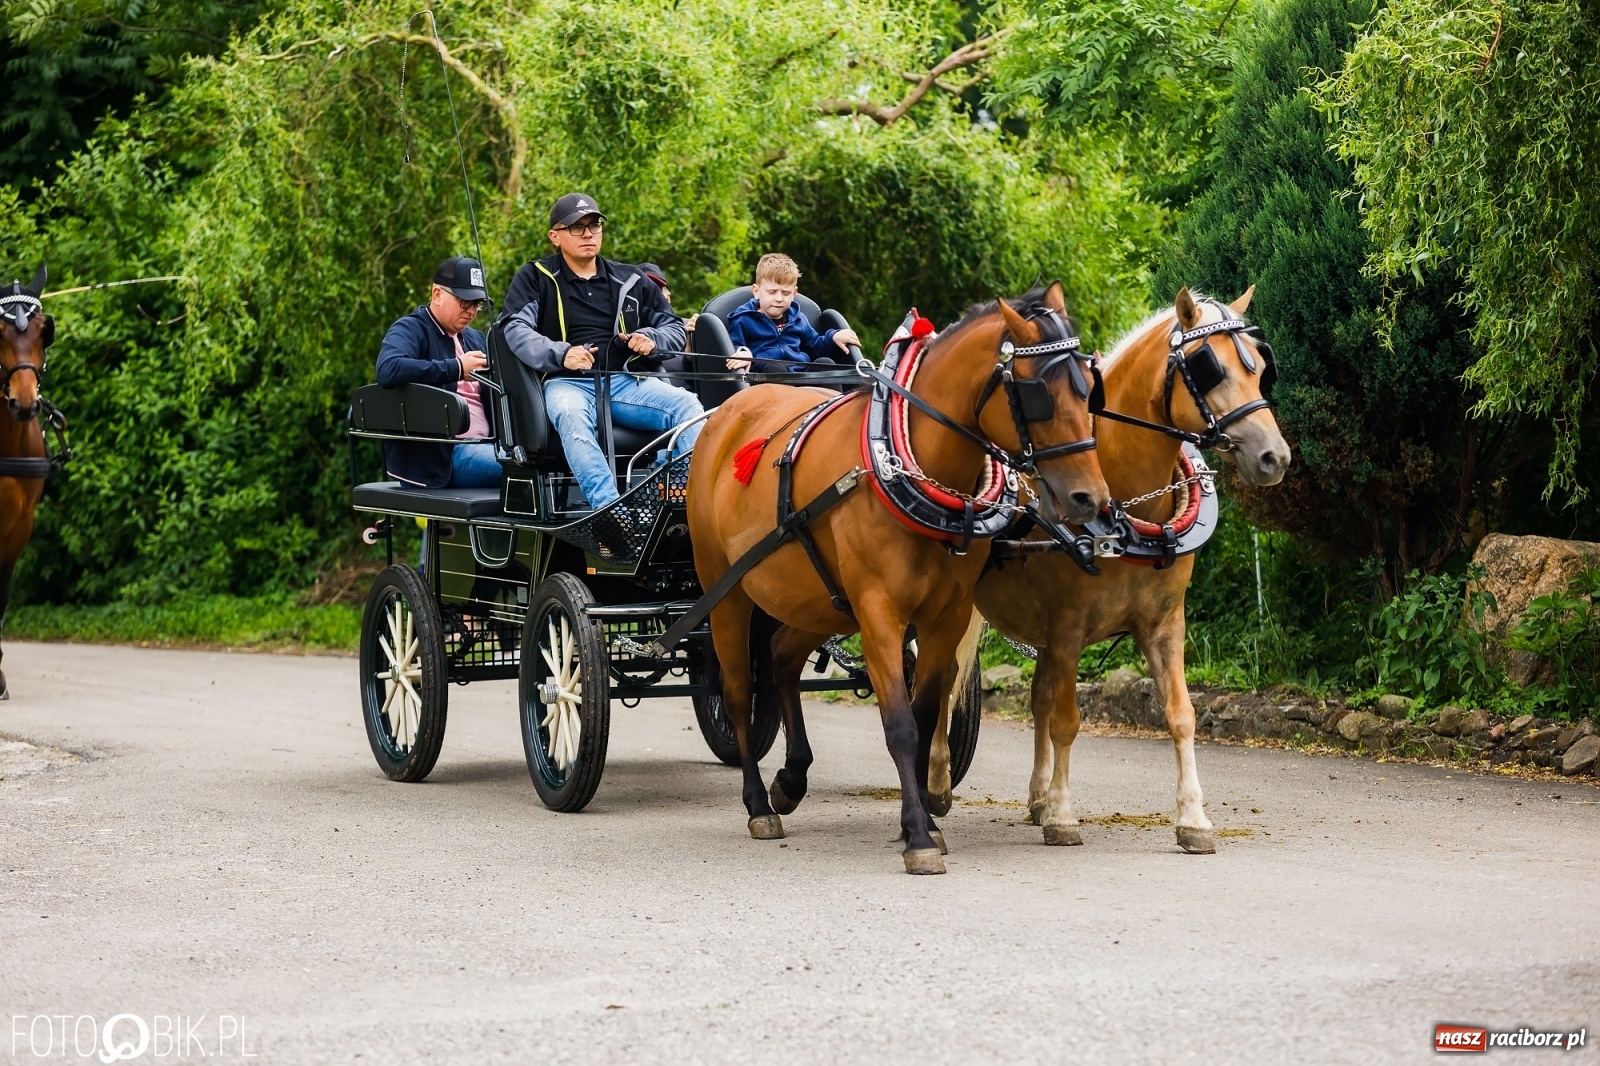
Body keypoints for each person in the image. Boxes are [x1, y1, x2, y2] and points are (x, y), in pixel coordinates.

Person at [500, 193, 703, 512]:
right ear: (555, 237)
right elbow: (514, 328)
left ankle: (678, 500)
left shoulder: (631, 278)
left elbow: (673, 326)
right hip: (567, 383)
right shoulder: (535, 277)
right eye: (576, 227)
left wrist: (652, 338)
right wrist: (562, 353)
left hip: (624, 382)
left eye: (594, 225)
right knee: (570, 415)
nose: (587, 234)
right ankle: (611, 513)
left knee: (688, 405)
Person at [375, 256, 498, 489]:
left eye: (477, 304)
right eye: (464, 301)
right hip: (441, 457)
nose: (471, 311)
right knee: (524, 473)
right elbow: (388, 369)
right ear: (437, 294)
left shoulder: (475, 338)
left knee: (546, 464)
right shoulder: (411, 329)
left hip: (489, 444)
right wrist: (457, 368)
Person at [724, 253, 860, 373]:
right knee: (775, 367)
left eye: (785, 293)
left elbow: (816, 346)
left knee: (826, 364)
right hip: (766, 379)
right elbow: (734, 347)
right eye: (772, 292)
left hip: (800, 375)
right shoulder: (743, 319)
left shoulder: (798, 319)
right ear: (756, 291)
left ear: (794, 293)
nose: (778, 298)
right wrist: (744, 354)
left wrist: (833, 338)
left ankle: (835, 402)